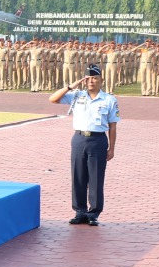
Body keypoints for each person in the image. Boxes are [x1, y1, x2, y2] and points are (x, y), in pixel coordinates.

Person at [50, 63, 118, 226]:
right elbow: (53, 99)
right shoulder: (76, 95)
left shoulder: (109, 99)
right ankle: (80, 211)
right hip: (79, 139)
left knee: (96, 178)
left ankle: (93, 213)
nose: (91, 81)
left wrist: (112, 148)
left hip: (98, 140)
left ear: (101, 80)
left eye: (95, 78)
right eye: (88, 78)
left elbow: (113, 125)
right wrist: (70, 86)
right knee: (78, 176)